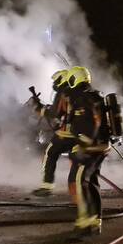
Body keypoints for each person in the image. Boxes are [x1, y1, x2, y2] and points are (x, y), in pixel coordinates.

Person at [64, 66, 111, 237]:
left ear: (74, 79)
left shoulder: (82, 98)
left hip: (91, 148)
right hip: (102, 146)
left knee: (80, 181)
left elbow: (93, 123)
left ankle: (83, 223)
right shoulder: (95, 95)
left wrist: (83, 145)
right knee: (92, 182)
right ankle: (95, 221)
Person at [32, 68, 74, 197]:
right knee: (78, 160)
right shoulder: (77, 92)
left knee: (50, 154)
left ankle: (47, 186)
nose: (54, 84)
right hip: (82, 134)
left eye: (56, 80)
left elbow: (55, 113)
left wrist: (40, 109)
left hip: (67, 134)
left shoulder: (62, 92)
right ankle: (78, 187)